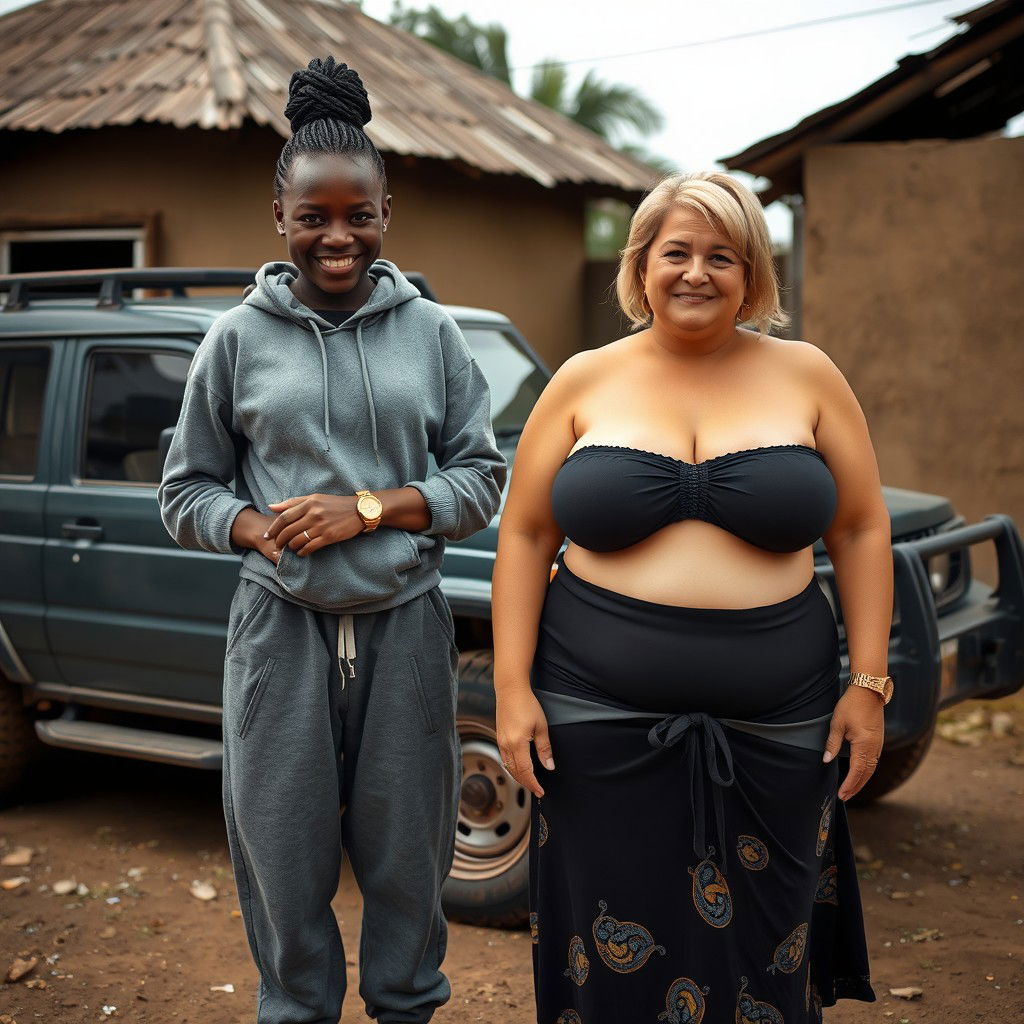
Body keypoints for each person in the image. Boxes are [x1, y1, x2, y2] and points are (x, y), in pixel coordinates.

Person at [492, 171, 887, 1023]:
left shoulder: (809, 375)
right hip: (595, 717)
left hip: (778, 724)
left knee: (764, 948)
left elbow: (859, 529)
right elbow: (525, 536)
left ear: (753, 274)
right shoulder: (582, 380)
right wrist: (512, 690)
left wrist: (868, 684)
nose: (697, 273)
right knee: (612, 943)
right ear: (641, 265)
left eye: (723, 255)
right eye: (676, 252)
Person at [158, 56, 506, 1024]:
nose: (337, 236)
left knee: (409, 857)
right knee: (280, 854)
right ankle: (294, 1011)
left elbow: (481, 477)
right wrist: (252, 524)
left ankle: (404, 1006)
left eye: (359, 214)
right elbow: (184, 488)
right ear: (281, 220)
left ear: (386, 212)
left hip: (403, 628)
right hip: (277, 636)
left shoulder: (432, 333)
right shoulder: (233, 340)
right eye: (314, 217)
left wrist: (374, 507)